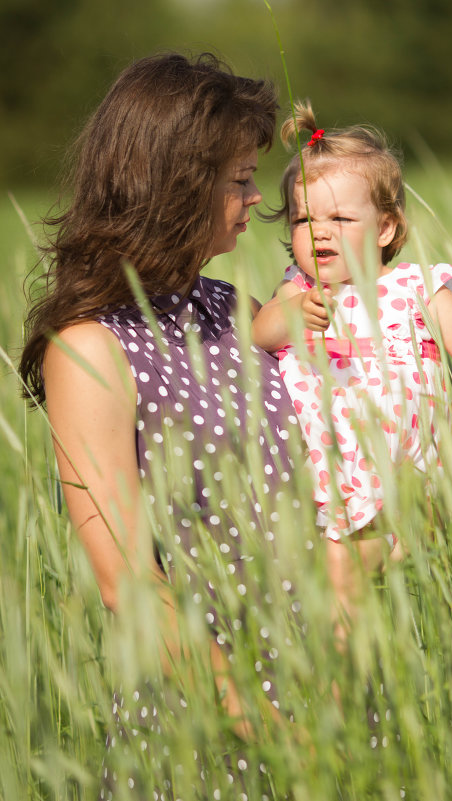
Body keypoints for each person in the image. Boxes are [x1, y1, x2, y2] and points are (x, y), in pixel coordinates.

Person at [20, 53, 304, 799]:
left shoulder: (232, 310)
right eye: (239, 179)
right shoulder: (89, 350)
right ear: (175, 185)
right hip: (207, 716)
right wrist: (266, 720)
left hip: (322, 677)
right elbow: (127, 581)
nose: (256, 199)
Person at [252, 101, 452, 575]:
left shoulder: (419, 289)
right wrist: (291, 313)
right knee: (345, 591)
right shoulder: (300, 289)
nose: (318, 234)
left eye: (341, 219)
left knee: (404, 582)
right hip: (333, 489)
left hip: (417, 485)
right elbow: (259, 332)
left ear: (386, 227)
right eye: (302, 220)